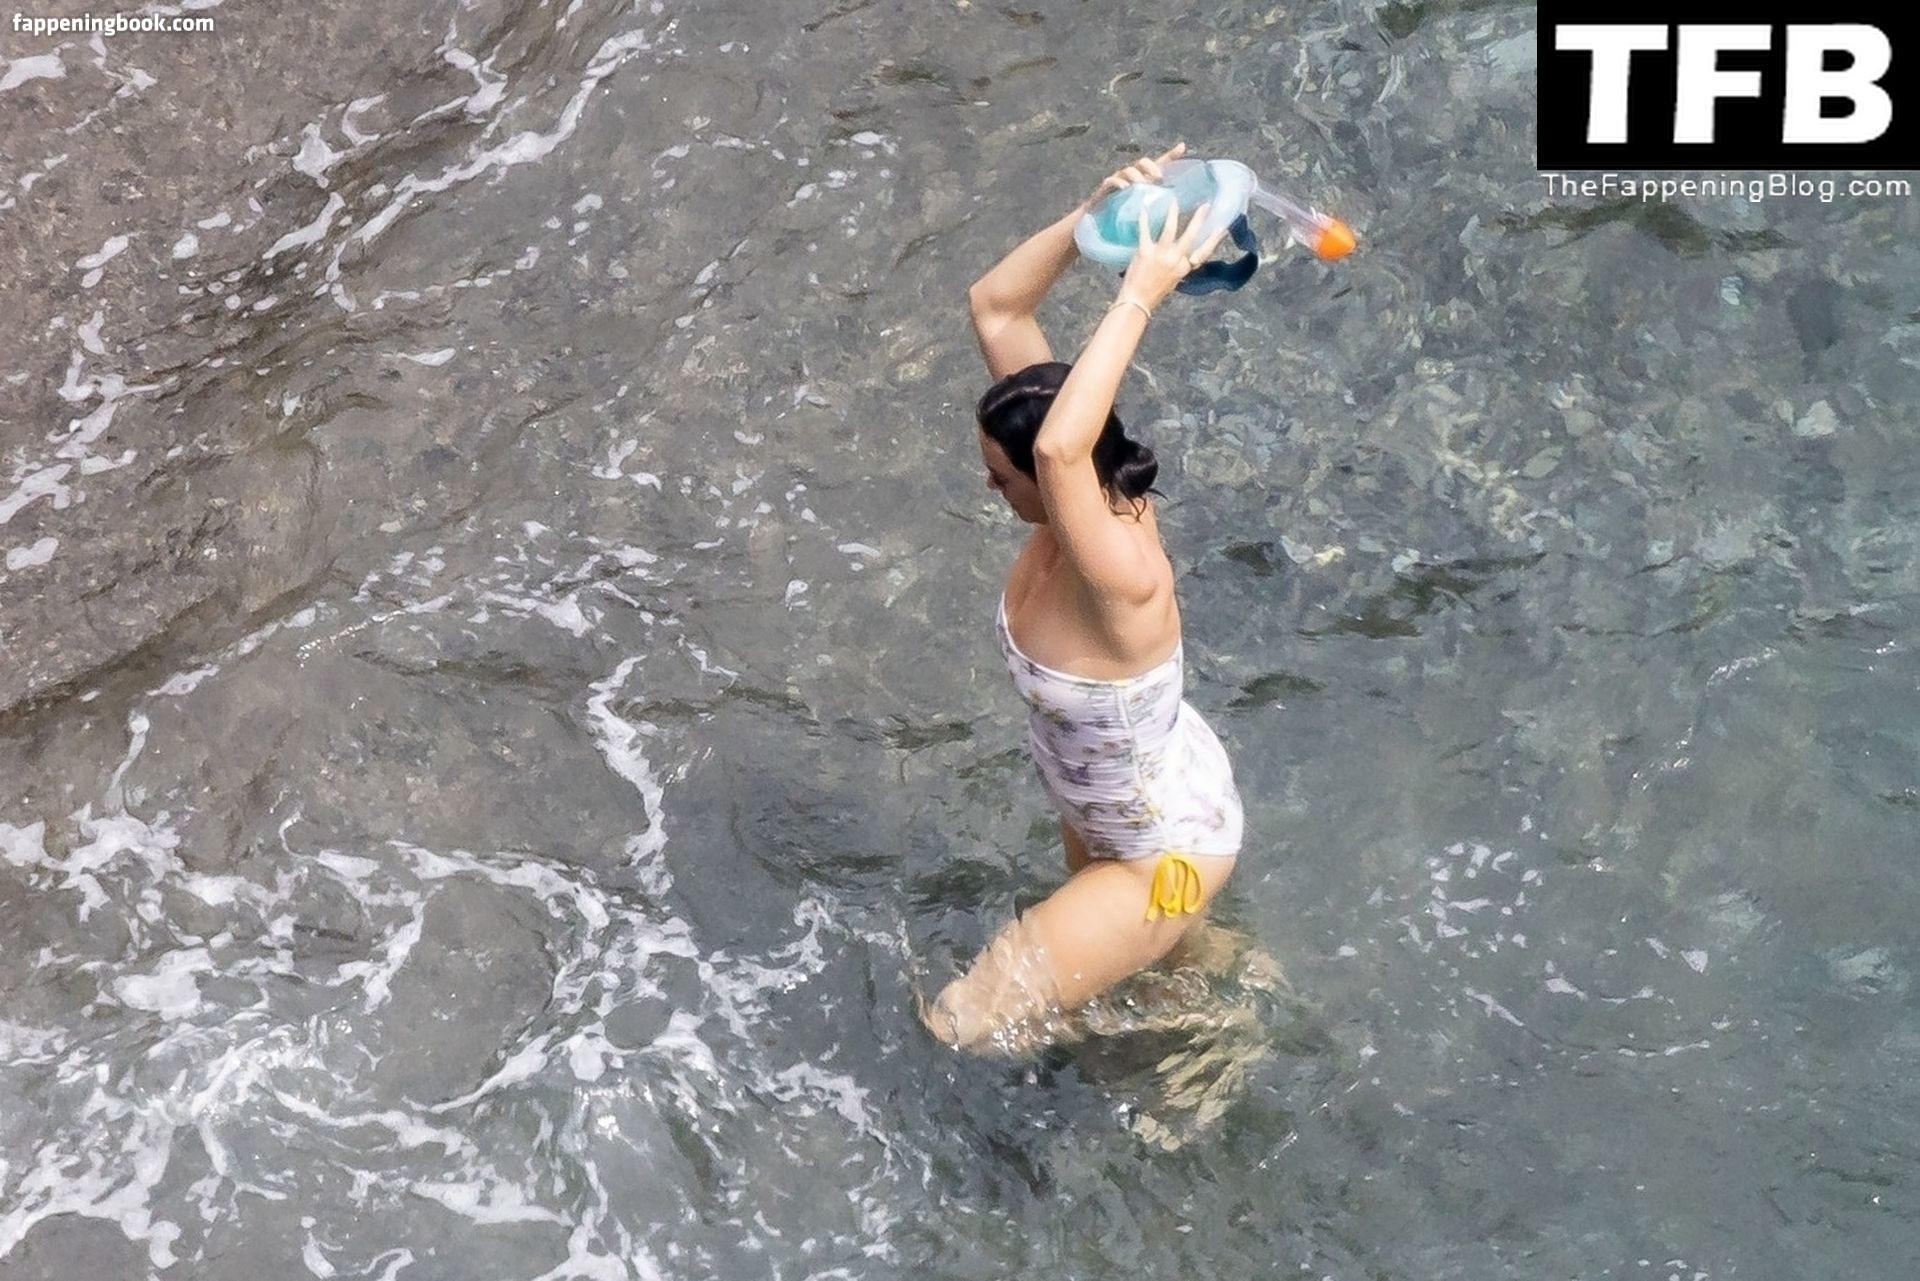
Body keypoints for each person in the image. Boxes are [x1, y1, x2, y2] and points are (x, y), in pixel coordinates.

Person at [921, 143, 1248, 1054]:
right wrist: (1092, 221)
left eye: (1002, 479)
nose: (992, 490)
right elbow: (996, 305)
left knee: (962, 1023)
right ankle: (1217, 991)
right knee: (1162, 979)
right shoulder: (1073, 508)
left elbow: (1059, 449)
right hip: (1112, 811)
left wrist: (1139, 293)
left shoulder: (1120, 573)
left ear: (1047, 477)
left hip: (1159, 852)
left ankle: (1218, 1018)